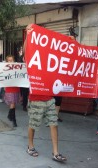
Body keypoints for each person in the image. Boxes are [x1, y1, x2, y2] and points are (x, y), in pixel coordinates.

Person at [25, 24, 67, 162]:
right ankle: (30, 146)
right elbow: (26, 51)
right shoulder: (33, 59)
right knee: (33, 124)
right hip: (36, 99)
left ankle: (56, 152)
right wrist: (28, 35)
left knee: (53, 124)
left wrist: (70, 42)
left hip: (50, 99)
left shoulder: (51, 60)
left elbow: (66, 56)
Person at [4, 55, 20, 127]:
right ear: (6, 61)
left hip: (16, 88)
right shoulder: (4, 68)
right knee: (12, 103)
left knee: (13, 104)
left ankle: (10, 115)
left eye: (12, 60)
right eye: (9, 60)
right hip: (9, 88)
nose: (10, 62)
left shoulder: (18, 68)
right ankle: (14, 120)